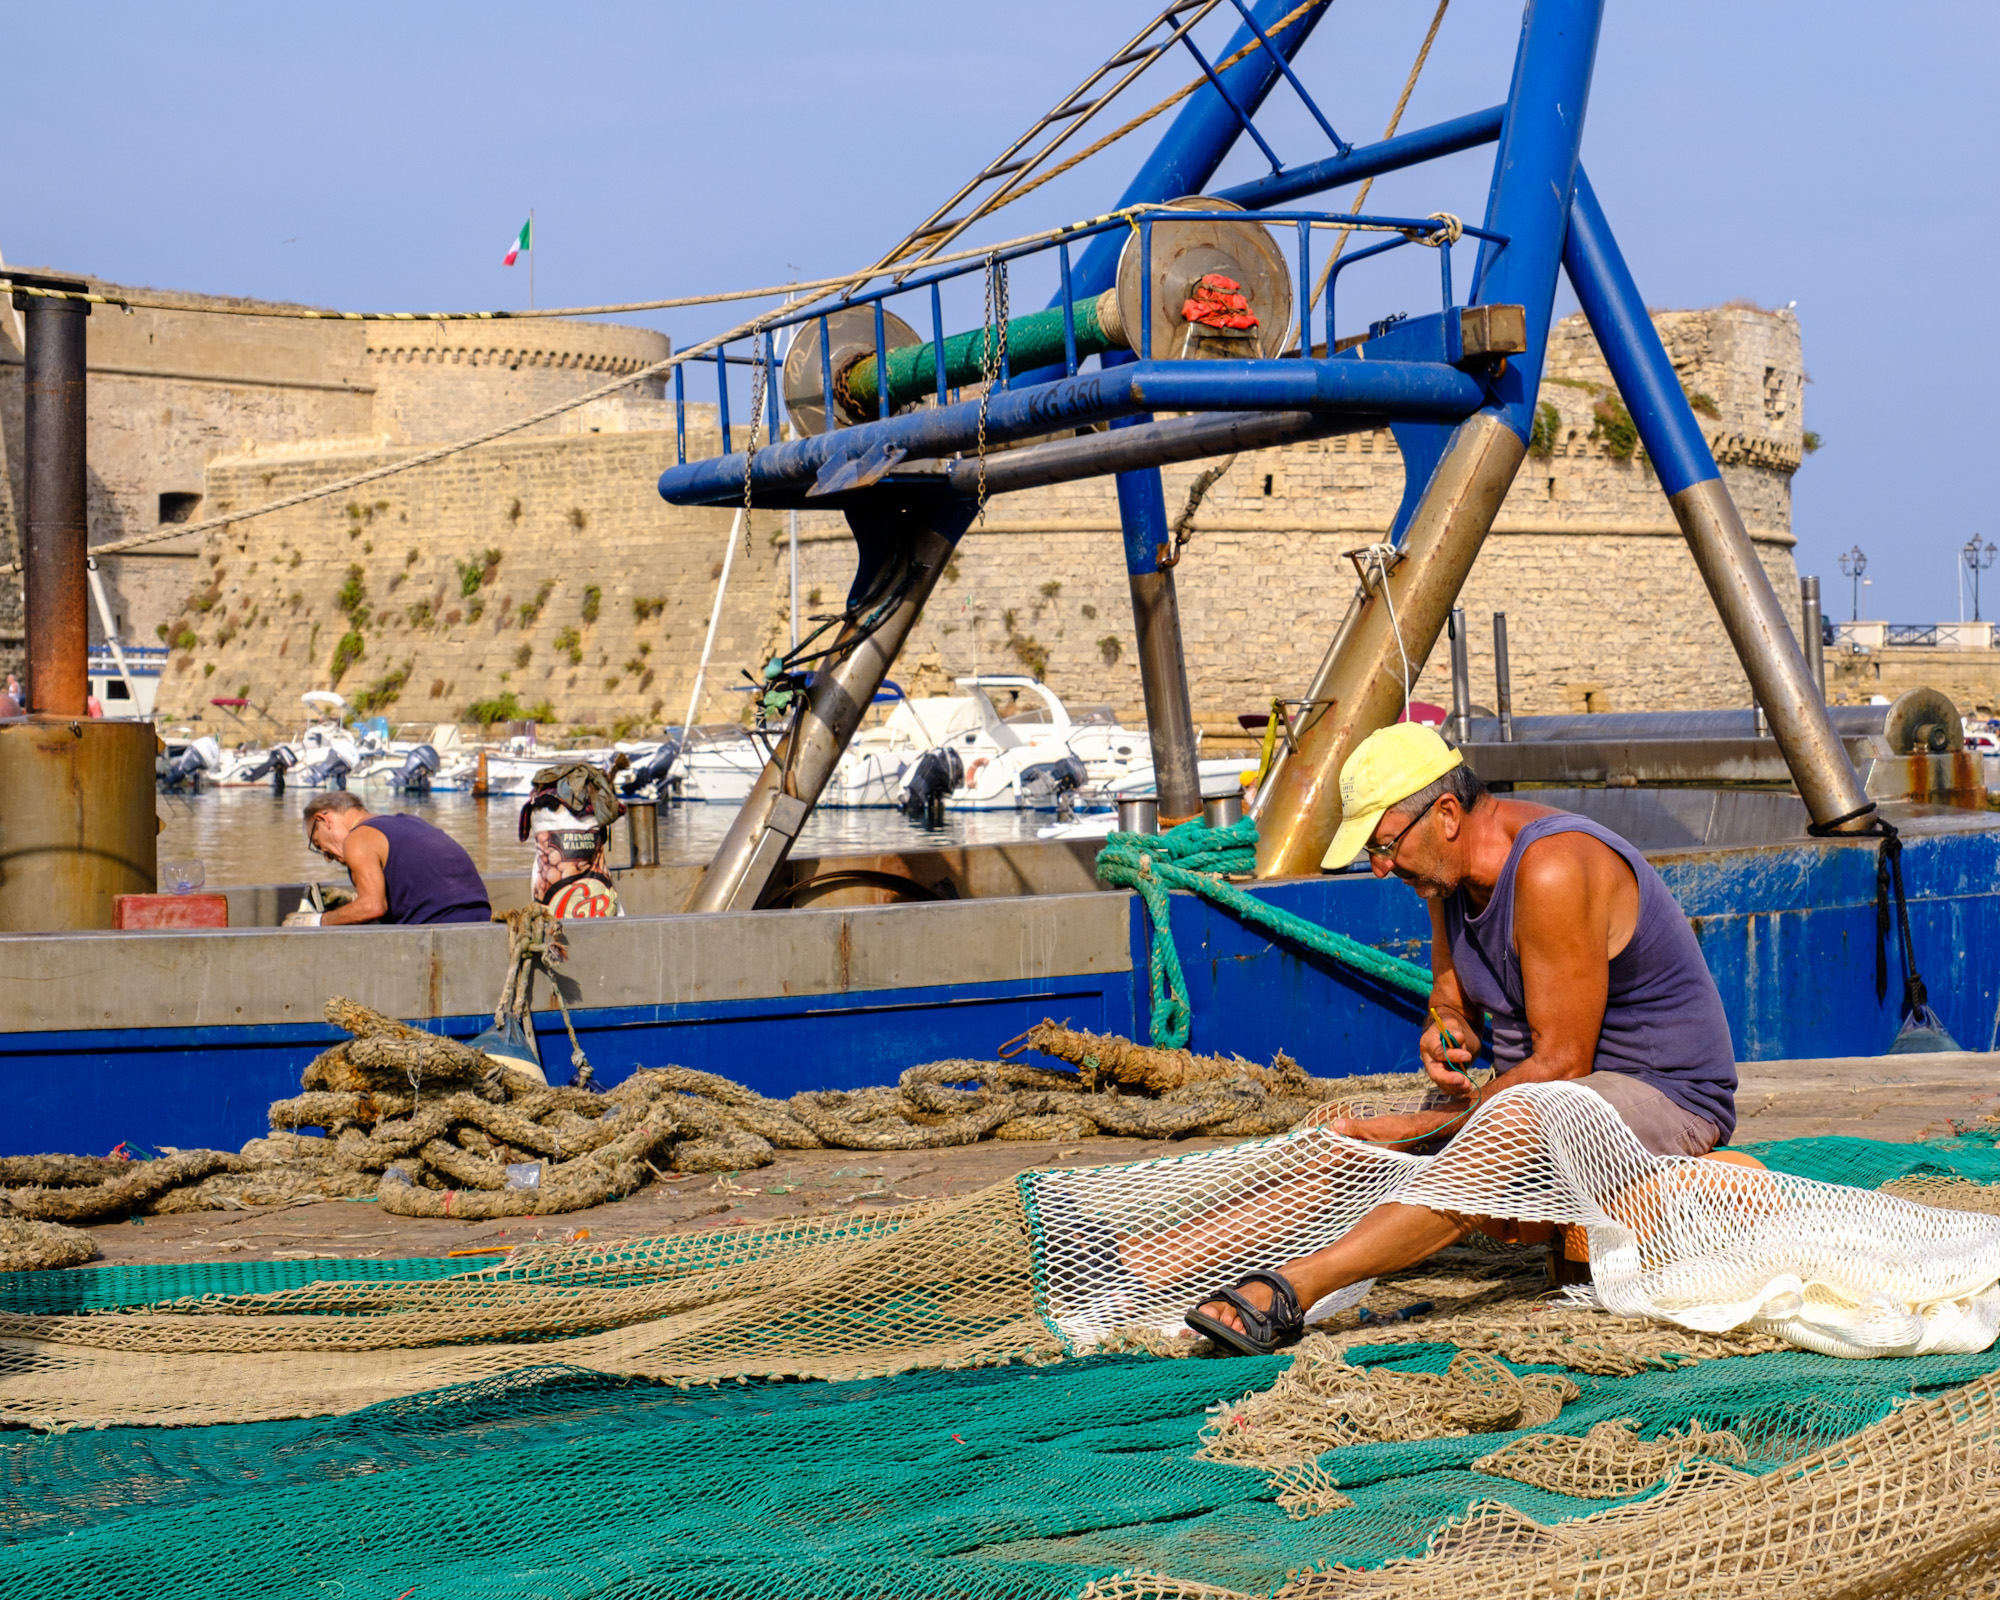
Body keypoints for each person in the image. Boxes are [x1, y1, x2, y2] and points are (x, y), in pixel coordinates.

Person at [1186, 721, 1739, 1355]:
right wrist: (1442, 1036)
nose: (1379, 867)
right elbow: (1451, 1006)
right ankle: (1147, 1266)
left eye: (1384, 844)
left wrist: (1423, 1128)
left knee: (1489, 1125)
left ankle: (1289, 1292)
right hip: (1548, 1102)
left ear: (1446, 813)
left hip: (1665, 1098)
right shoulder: (1445, 879)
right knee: (1346, 1137)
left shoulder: (1554, 867)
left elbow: (1562, 1064)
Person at [299, 791, 491, 926]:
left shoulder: (357, 839)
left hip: (442, 931)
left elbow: (372, 907)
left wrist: (316, 921)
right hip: (484, 921)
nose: (327, 857)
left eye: (318, 844)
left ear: (323, 819)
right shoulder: (411, 822)